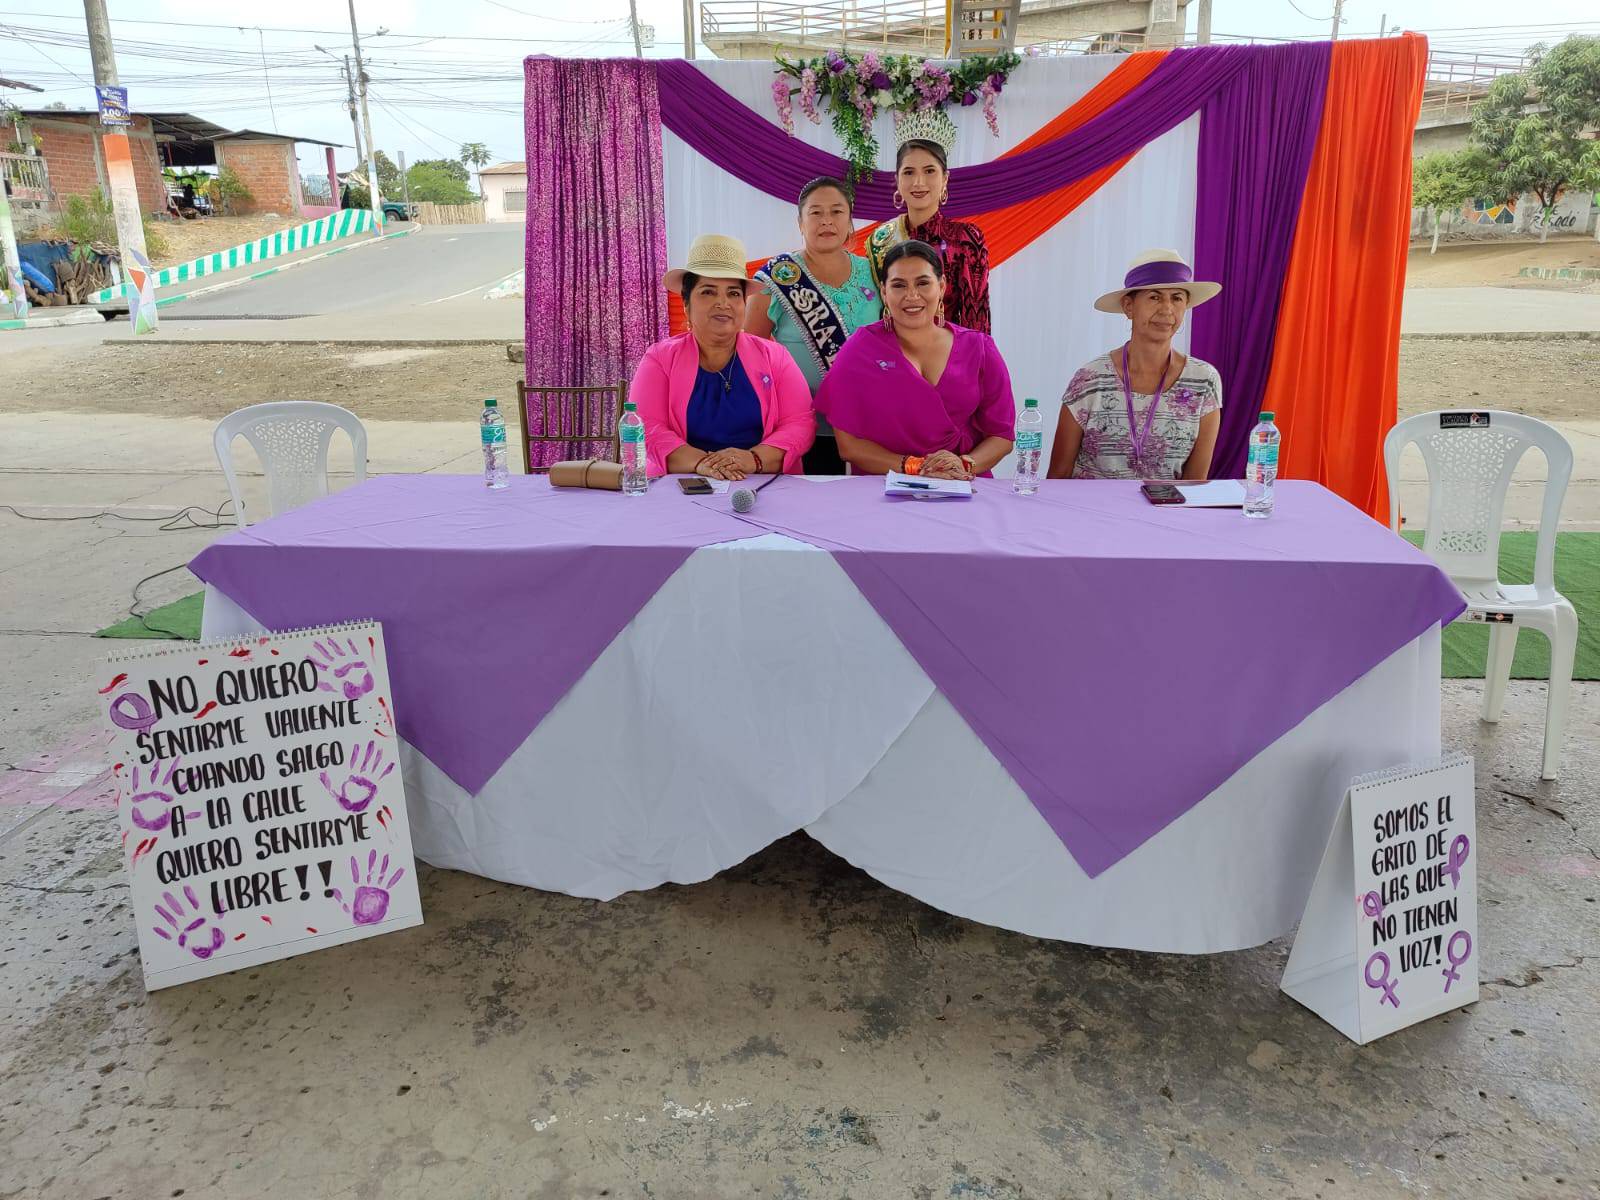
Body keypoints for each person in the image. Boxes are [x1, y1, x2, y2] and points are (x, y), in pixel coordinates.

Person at [817, 240, 1014, 479]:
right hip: (886, 486)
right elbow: (849, 446)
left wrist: (963, 465)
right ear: (884, 292)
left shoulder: (979, 348)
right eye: (899, 285)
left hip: (964, 484)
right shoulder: (860, 350)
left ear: (941, 286)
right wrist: (916, 467)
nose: (912, 295)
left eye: (923, 283)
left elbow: (1001, 436)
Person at [629, 234, 815, 480]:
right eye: (708, 292)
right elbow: (647, 426)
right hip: (682, 484)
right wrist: (701, 463)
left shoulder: (775, 356)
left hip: (762, 482)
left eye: (733, 294)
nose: (723, 303)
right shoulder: (659, 358)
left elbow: (800, 422)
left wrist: (754, 459)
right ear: (686, 305)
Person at [1049, 249, 1224, 481]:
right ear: (1128, 307)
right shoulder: (1090, 379)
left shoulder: (1203, 380)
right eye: (1154, 297)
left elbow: (1193, 483)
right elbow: (1058, 476)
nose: (1167, 309)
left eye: (1177, 298)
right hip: (1093, 505)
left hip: (1165, 505)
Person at [746, 176, 881, 475]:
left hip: (868, 420)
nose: (826, 221)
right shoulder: (776, 278)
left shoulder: (874, 272)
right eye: (816, 212)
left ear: (850, 221)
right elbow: (751, 354)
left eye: (836, 211)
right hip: (801, 423)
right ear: (800, 223)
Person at [865, 108, 991, 334]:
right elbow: (876, 313)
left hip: (949, 351)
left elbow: (976, 322)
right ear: (897, 180)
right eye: (909, 172)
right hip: (892, 351)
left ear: (945, 179)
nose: (918, 182)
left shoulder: (965, 238)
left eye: (929, 171)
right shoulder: (880, 239)